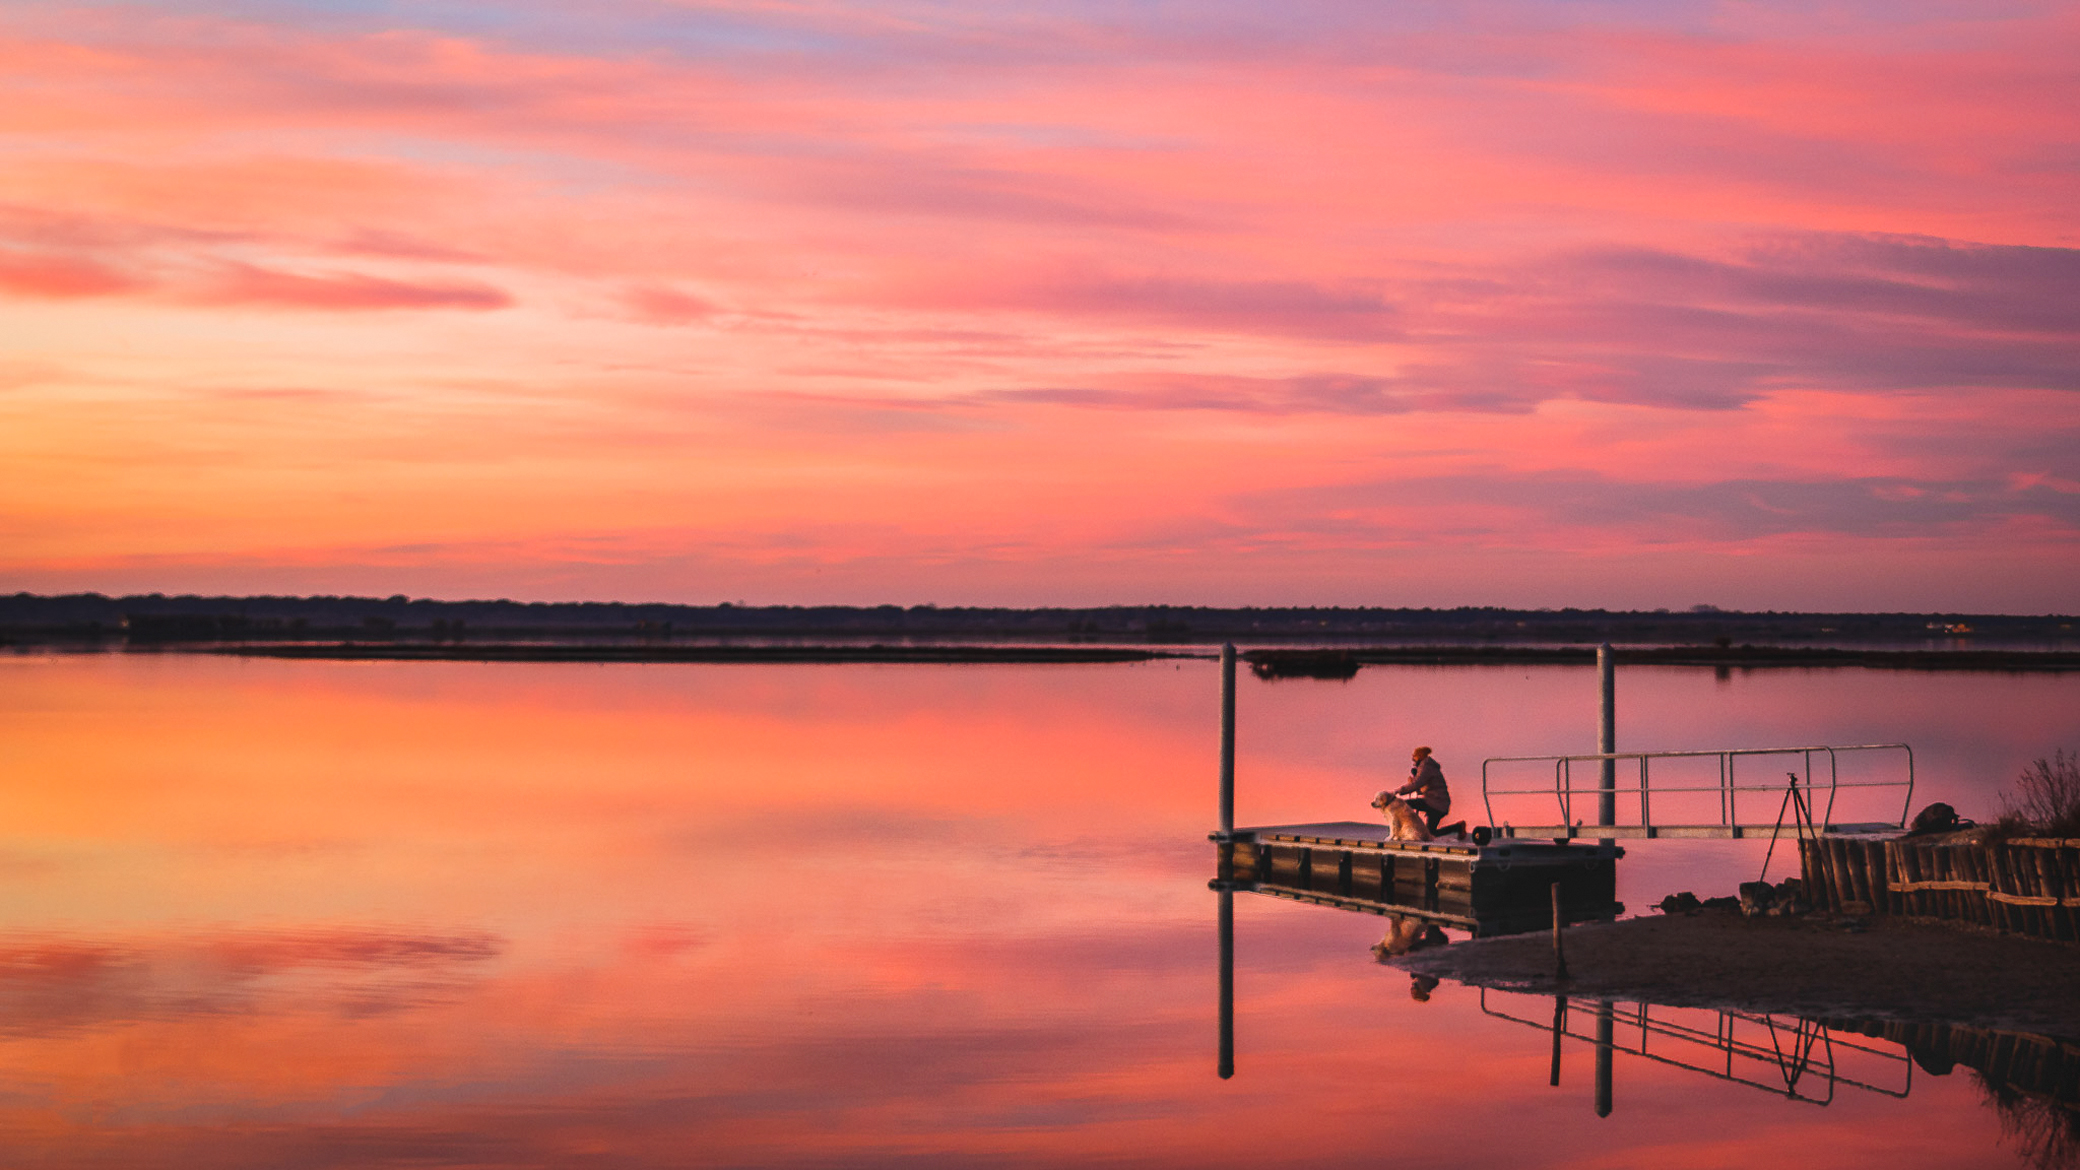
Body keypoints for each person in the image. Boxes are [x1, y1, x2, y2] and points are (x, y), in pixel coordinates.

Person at [1396, 746, 1451, 835]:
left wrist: (1399, 791)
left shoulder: (1426, 767)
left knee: (1404, 804)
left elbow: (1417, 784)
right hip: (1437, 802)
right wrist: (1413, 782)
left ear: (1420, 756)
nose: (1413, 759)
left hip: (1435, 803)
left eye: (1414, 756)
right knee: (1431, 833)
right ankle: (1458, 827)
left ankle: (1406, 827)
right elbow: (1423, 788)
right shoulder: (1427, 767)